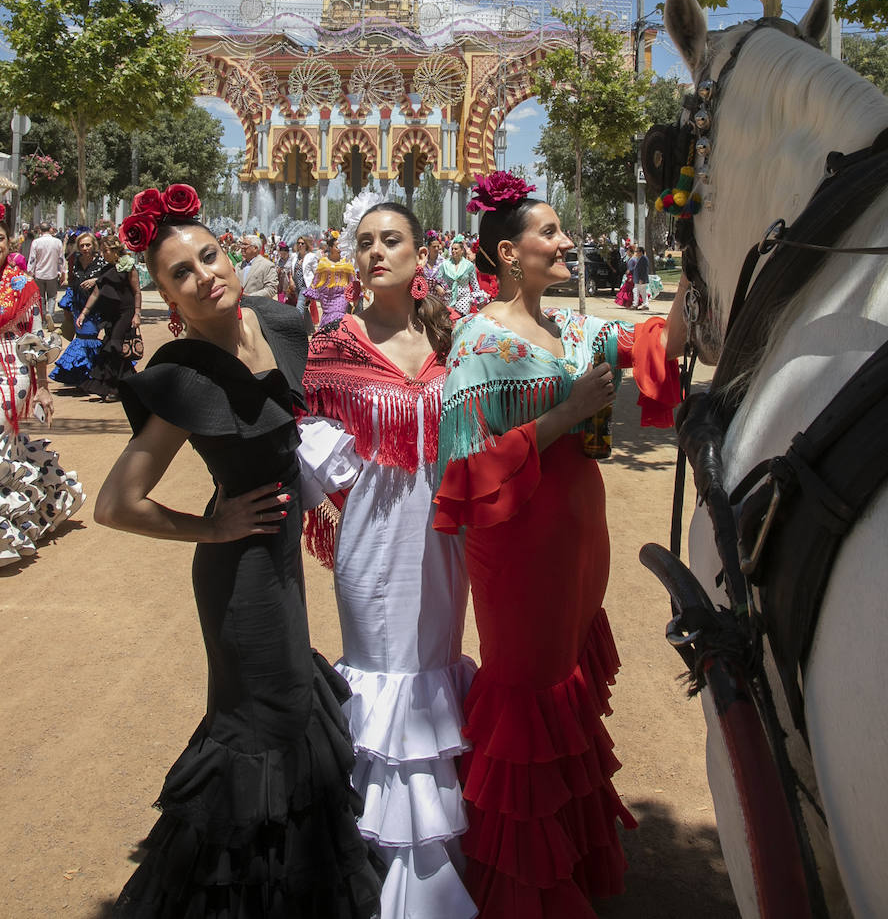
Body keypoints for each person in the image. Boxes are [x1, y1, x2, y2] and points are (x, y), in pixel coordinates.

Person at [94, 183, 385, 918]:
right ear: (164, 294)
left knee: (291, 719)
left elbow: (328, 395)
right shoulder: (184, 377)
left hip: (282, 561)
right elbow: (115, 504)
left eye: (209, 256)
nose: (204, 276)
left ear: (230, 252)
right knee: (267, 726)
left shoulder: (281, 321)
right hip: (240, 577)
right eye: (180, 274)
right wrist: (210, 528)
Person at [433, 173, 682, 919]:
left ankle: (566, 848)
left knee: (566, 681)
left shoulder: (577, 328)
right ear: (509, 253)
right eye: (550, 232)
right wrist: (567, 412)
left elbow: (656, 342)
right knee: (527, 690)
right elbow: (464, 469)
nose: (568, 241)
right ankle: (520, 889)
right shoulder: (479, 340)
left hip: (578, 535)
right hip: (517, 545)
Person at [299, 194, 477, 919]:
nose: (375, 251)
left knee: (432, 675)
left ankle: (438, 872)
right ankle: (381, 874)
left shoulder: (456, 343)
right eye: (365, 240)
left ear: (419, 257)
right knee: (383, 677)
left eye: (391, 240)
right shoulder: (331, 345)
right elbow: (304, 432)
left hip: (443, 543)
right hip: (371, 549)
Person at [0, 221, 84, 566]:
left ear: (11, 241)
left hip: (9, 368)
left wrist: (44, 388)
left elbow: (35, 338)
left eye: (0, 236)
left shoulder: (22, 285)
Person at [76, 235, 142, 402]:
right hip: (111, 315)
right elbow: (97, 293)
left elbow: (137, 291)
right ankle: (127, 386)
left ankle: (114, 387)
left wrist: (137, 313)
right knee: (112, 348)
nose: (103, 254)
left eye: (106, 251)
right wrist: (84, 313)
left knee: (115, 345)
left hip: (126, 313)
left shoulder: (128, 266)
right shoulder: (105, 270)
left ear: (115, 250)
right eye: (102, 251)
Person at [51, 232, 106, 391]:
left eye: (88, 245)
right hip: (77, 304)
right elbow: (72, 281)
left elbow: (111, 276)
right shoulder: (75, 259)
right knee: (81, 337)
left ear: (93, 245)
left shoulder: (101, 260)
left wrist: (95, 280)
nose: (85, 248)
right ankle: (84, 377)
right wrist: (68, 304)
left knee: (88, 337)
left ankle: (92, 376)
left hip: (95, 307)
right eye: (82, 245)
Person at [305, 232, 355, 326]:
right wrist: (310, 293)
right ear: (331, 248)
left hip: (341, 295)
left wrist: (355, 293)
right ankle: (327, 337)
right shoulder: (323, 262)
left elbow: (352, 279)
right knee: (328, 316)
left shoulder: (346, 262)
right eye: (337, 246)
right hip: (326, 296)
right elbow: (316, 279)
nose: (339, 249)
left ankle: (337, 337)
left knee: (338, 315)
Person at [27, 220, 65, 324]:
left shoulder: (36, 242)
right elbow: (61, 259)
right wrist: (63, 272)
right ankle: (51, 316)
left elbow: (32, 259)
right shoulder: (57, 242)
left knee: (41, 297)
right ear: (50, 229)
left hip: (39, 274)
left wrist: (29, 273)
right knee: (52, 297)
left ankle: (43, 318)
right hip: (52, 274)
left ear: (40, 230)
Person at [440, 235, 482, 316]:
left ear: (462, 250)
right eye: (452, 249)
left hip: (464, 298)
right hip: (449, 298)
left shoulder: (469, 265)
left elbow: (474, 284)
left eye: (456, 249)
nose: (453, 251)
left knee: (459, 318)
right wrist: (439, 287)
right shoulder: (445, 264)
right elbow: (438, 279)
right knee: (449, 321)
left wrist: (478, 298)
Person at [235, 234, 280, 298]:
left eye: (245, 244)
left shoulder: (267, 265)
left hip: (256, 305)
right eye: (242, 244)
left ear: (255, 248)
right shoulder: (238, 266)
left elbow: (271, 289)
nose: (242, 247)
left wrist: (250, 296)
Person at [634, 245, 651, 309]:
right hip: (638, 279)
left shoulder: (643, 259)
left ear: (641, 252)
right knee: (638, 292)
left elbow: (643, 270)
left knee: (640, 292)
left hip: (641, 279)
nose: (636, 253)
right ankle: (639, 304)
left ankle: (640, 304)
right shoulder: (639, 258)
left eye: (637, 251)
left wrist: (641, 278)